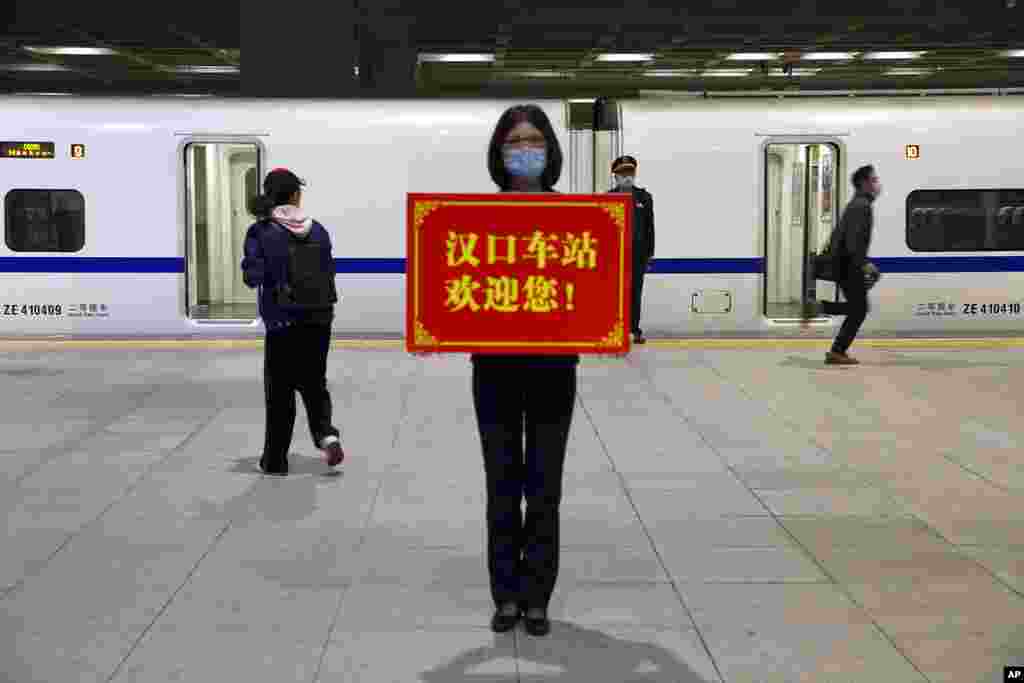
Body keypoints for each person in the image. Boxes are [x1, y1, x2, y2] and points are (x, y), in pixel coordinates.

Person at [472, 104, 577, 637]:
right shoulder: (471, 218)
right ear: (499, 153)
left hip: (555, 372)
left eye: (534, 140)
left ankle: (537, 596)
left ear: (550, 150)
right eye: (515, 142)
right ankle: (505, 596)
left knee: (544, 490)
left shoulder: (579, 220)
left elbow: (595, 288)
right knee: (500, 487)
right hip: (493, 372)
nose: (525, 150)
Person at [241, 168, 345, 474]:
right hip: (320, 319)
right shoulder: (319, 229)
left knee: (280, 393)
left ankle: (275, 460)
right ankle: (326, 434)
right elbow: (329, 271)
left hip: (282, 324)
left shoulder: (261, 231)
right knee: (315, 383)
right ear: (296, 196)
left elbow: (251, 277)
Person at [807, 164, 881, 365]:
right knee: (859, 310)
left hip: (845, 264)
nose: (877, 185)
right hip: (848, 265)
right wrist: (864, 264)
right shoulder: (861, 206)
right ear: (864, 183)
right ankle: (836, 348)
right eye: (874, 180)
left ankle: (821, 311)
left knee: (858, 308)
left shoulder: (858, 204)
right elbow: (853, 240)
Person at [610, 156, 655, 344]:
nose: (627, 177)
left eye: (630, 173)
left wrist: (649, 254)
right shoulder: (608, 198)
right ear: (615, 176)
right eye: (623, 174)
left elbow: (650, 227)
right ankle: (613, 329)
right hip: (615, 255)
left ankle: (634, 330)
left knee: (635, 292)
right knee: (614, 294)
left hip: (637, 255)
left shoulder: (644, 198)